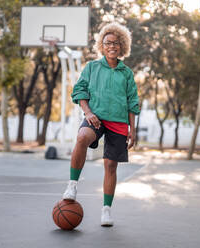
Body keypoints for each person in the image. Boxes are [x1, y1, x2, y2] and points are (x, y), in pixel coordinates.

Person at [62, 22, 140, 227]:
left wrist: (133, 129)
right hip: (95, 117)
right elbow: (79, 92)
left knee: (110, 166)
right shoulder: (92, 67)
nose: (111, 46)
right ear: (102, 46)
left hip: (119, 122)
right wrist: (88, 112)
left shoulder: (127, 73)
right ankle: (72, 186)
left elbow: (133, 102)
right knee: (81, 138)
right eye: (107, 43)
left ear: (122, 46)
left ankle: (106, 210)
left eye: (115, 43)